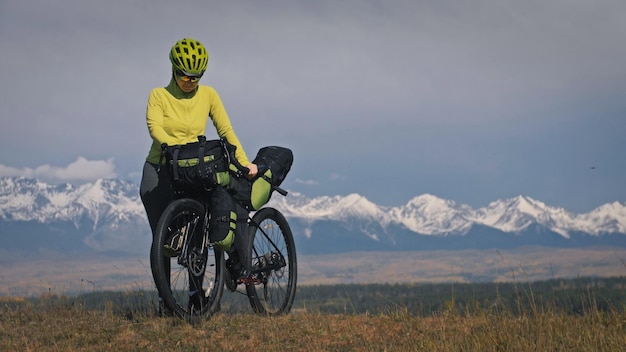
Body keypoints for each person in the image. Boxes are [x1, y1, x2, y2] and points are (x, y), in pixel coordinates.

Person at [139, 38, 258, 311]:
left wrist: (243, 162)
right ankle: (164, 302)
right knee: (163, 239)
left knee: (196, 235)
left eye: (196, 77)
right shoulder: (159, 95)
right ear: (173, 69)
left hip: (194, 170)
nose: (190, 82)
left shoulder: (209, 95)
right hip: (160, 168)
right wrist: (170, 145)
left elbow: (226, 131)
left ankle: (196, 297)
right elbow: (154, 126)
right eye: (184, 76)